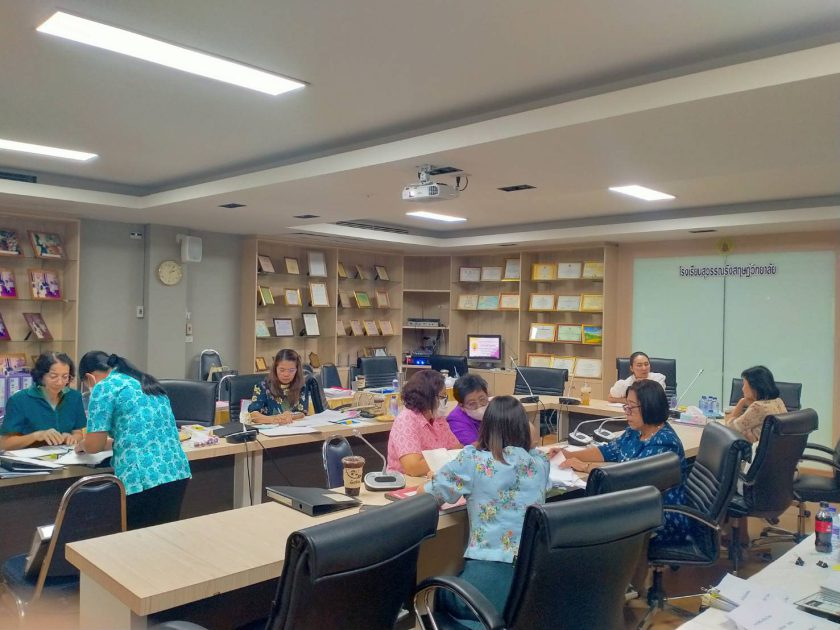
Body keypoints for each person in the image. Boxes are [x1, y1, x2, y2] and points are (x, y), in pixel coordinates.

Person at [419, 396, 550, 625]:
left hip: (488, 579)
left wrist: (430, 479)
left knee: (439, 595)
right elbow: (533, 444)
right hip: (532, 579)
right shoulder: (540, 463)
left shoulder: (474, 461)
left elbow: (431, 494)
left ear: (486, 427)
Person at [557, 379, 689, 544]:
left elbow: (629, 478)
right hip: (634, 508)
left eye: (631, 407)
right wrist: (567, 454)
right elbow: (608, 451)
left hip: (658, 518)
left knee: (579, 524)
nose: (627, 411)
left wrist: (585, 466)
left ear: (649, 407)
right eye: (626, 406)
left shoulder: (665, 443)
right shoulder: (635, 432)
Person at [74, 351, 191, 530]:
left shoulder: (103, 387)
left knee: (137, 541)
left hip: (143, 478)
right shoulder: (143, 380)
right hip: (176, 472)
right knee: (164, 538)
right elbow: (139, 435)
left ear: (89, 378)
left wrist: (82, 444)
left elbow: (94, 445)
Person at [0, 352, 86, 450]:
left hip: (64, 456)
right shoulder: (19, 400)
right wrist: (35, 436)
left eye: (65, 377)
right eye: (53, 376)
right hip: (29, 457)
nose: (60, 382)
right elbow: (4, 443)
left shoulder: (74, 397)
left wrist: (72, 438)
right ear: (41, 375)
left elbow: (78, 432)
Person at [386, 370, 460, 475]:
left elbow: (458, 451)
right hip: (407, 481)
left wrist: (450, 457)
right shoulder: (406, 419)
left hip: (436, 477)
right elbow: (413, 468)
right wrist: (449, 458)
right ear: (427, 397)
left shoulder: (437, 418)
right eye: (442, 397)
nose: (445, 402)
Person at [726, 365, 786, 443]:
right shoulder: (778, 401)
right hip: (777, 449)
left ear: (754, 387)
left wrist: (741, 402)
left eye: (744, 384)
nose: (742, 388)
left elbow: (730, 428)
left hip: (754, 449)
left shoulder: (758, 407)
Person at [248, 349, 307, 424]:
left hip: (291, 428)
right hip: (269, 428)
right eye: (282, 370)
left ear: (297, 370)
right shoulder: (262, 387)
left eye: (291, 370)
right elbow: (253, 415)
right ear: (275, 369)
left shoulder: (301, 386)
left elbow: (302, 413)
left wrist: (290, 416)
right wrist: (274, 419)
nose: (286, 374)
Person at [447, 373, 489, 445]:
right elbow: (474, 447)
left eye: (482, 399)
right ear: (461, 406)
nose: (479, 406)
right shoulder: (455, 420)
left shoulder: (495, 407)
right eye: (472, 403)